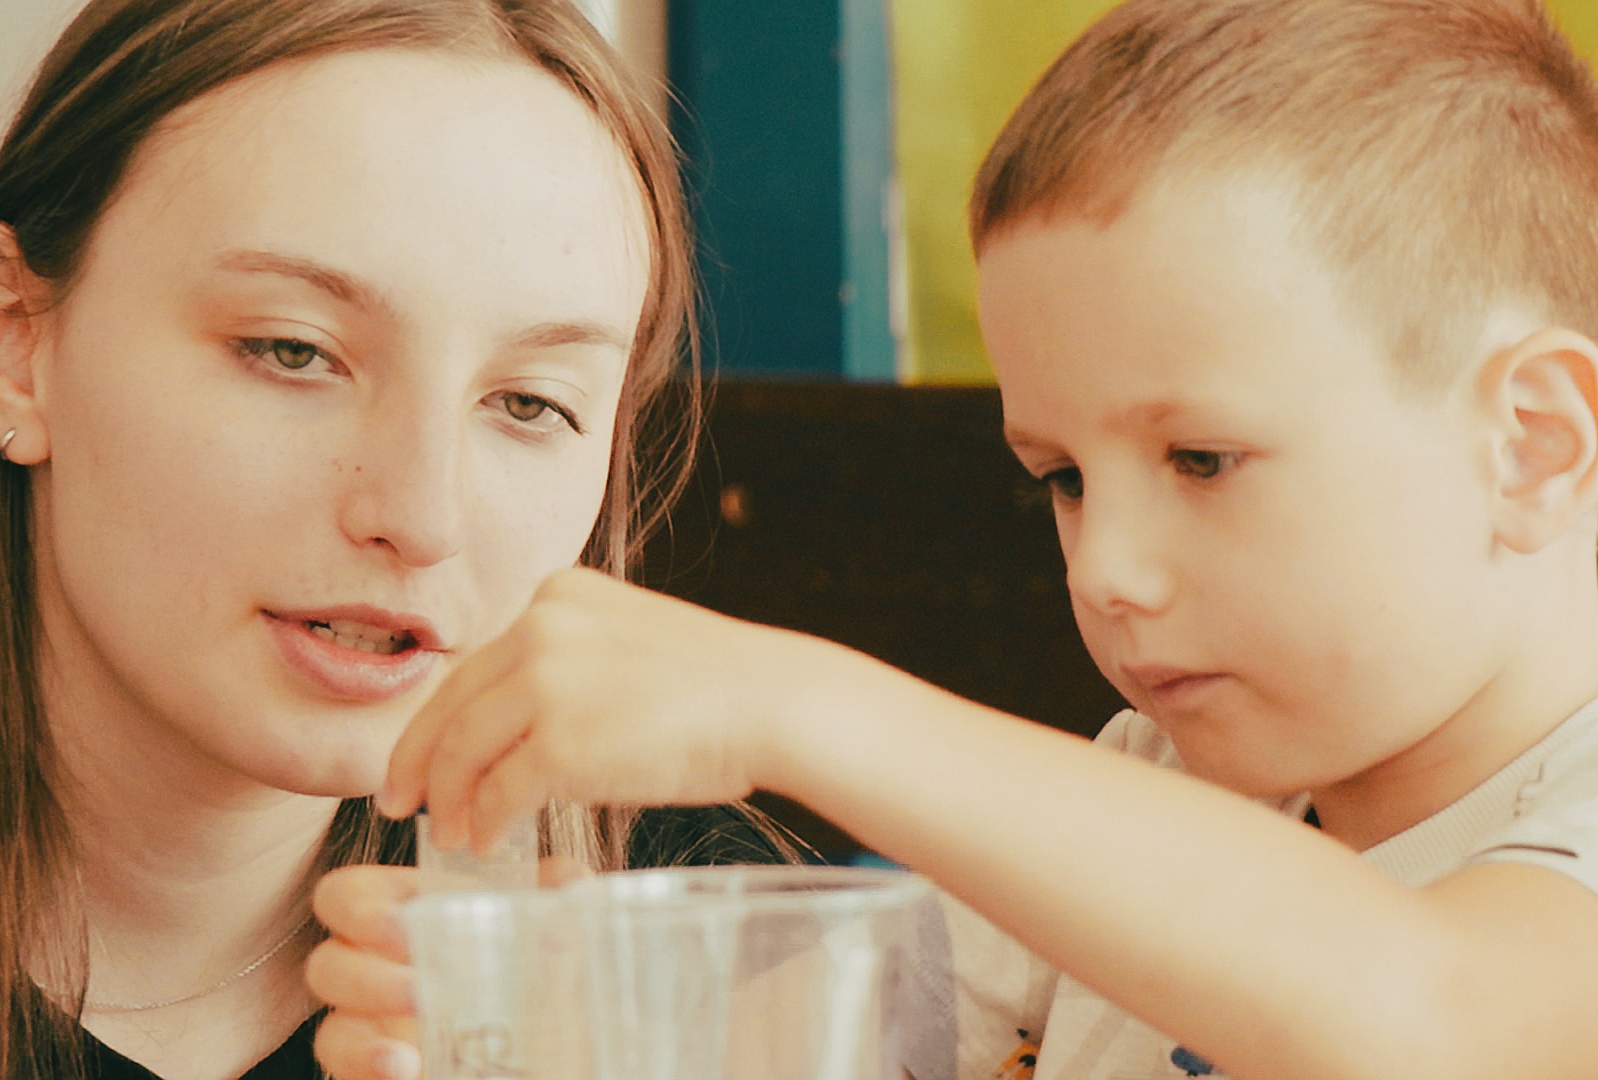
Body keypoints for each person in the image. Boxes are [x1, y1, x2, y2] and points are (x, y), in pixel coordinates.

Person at [325, 0, 1598, 1078]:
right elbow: (810, 1042)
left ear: (1531, 445)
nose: (1105, 572)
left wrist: (794, 703)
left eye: (1201, 460)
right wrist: (582, 1022)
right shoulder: (1152, 790)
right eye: (1061, 479)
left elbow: (1449, 1018)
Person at [0, 1, 793, 1078]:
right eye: (292, 351)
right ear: (13, 344)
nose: (420, 516)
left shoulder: (696, 940)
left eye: (531, 404)